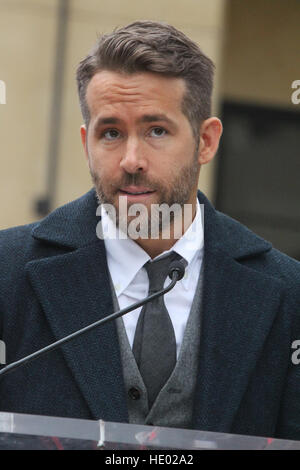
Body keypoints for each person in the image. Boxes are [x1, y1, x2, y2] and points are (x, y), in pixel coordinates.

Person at [0, 20, 300, 442]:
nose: (131, 159)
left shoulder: (289, 294)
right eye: (111, 133)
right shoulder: (6, 272)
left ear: (206, 142)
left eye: (156, 130)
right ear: (87, 143)